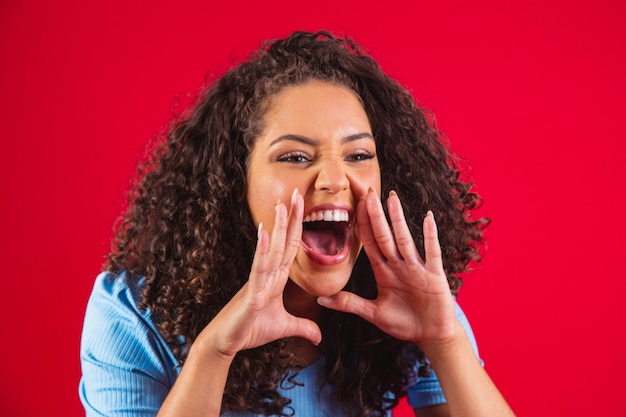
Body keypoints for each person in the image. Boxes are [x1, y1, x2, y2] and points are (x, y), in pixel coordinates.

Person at [79, 30, 514, 417]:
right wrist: (214, 352)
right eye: (295, 157)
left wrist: (445, 341)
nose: (332, 179)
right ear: (234, 183)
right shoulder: (132, 313)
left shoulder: (410, 296)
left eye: (359, 155)